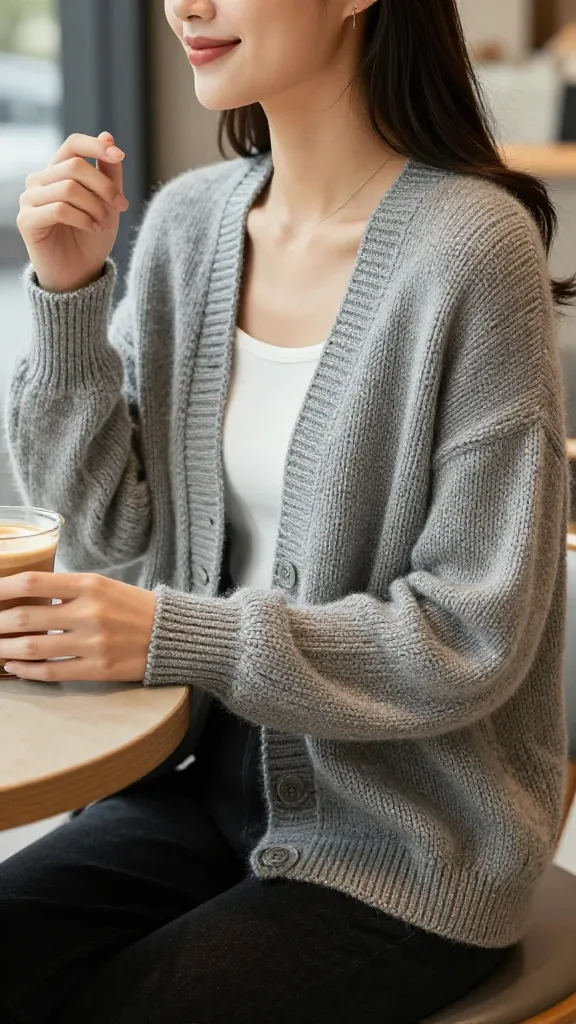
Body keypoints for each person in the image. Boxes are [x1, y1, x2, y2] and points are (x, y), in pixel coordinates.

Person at [0, 0, 573, 1020]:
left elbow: (471, 636)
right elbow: (104, 539)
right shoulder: (189, 224)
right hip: (196, 787)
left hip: (407, 841)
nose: (187, 5)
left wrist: (180, 634)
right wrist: (68, 289)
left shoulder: (474, 252)